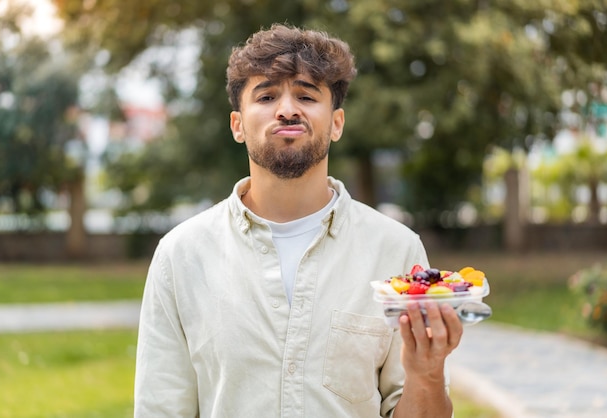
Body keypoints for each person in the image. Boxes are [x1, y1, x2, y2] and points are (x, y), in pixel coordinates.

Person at [134, 23, 463, 418]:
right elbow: (160, 409)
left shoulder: (397, 249)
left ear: (336, 123)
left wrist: (426, 376)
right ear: (237, 124)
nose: (287, 109)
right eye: (267, 95)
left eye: (306, 95)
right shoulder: (181, 255)